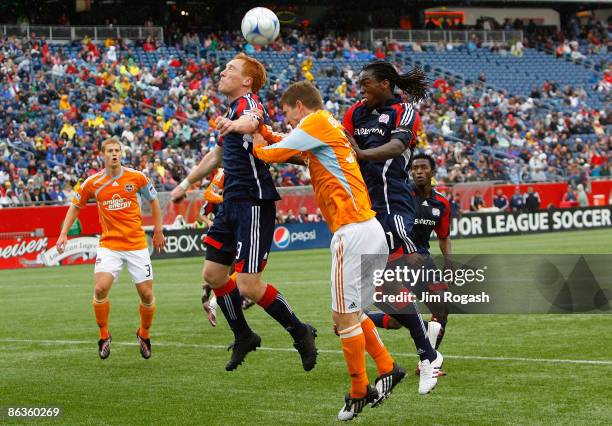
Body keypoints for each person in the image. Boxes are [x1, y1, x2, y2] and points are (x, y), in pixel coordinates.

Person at [253, 81, 405, 421]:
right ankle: (387, 367)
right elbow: (291, 148)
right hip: (369, 228)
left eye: (288, 114)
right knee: (355, 313)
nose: (288, 121)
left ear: (299, 106)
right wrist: (267, 131)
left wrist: (256, 142)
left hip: (351, 231)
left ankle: (358, 391)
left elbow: (274, 153)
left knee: (342, 319)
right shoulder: (326, 125)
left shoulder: (315, 123)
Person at [169, 53, 317, 372]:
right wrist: (185, 184)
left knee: (249, 285)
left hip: (253, 199)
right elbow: (218, 154)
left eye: (230, 69)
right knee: (213, 274)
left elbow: (252, 121)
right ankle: (244, 335)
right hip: (231, 201)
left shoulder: (249, 103)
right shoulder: (230, 111)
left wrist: (235, 124)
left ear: (246, 81)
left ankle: (300, 331)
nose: (223, 72)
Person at [343, 60, 443, 391]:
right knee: (384, 295)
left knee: (392, 287)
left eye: (366, 83)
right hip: (364, 214)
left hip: (394, 210)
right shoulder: (355, 114)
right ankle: (426, 355)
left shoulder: (404, 112)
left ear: (385, 83)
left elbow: (398, 147)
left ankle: (426, 357)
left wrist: (361, 153)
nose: (361, 89)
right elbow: (341, 146)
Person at [56, 137, 165, 360]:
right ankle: (104, 335)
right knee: (100, 289)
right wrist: (63, 233)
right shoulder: (92, 183)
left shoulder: (137, 177)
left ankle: (143, 334)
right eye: (110, 151)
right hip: (109, 245)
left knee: (146, 294)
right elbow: (75, 206)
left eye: (117, 150)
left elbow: (154, 201)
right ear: (102, 155)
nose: (114, 154)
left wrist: (158, 230)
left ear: (121, 154)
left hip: (136, 244)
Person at [367, 154, 451, 374]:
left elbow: (443, 237)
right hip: (398, 259)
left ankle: (427, 360)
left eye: (424, 167)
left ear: (433, 172)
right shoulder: (400, 196)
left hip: (423, 260)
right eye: (415, 168)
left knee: (440, 310)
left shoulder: (441, 203)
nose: (419, 171)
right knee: (399, 317)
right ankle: (358, 319)